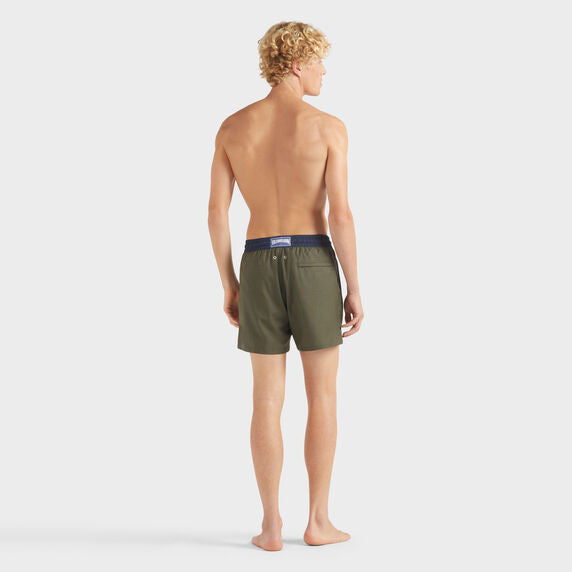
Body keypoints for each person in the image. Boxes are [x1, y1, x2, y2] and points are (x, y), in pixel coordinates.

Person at [208, 21, 364, 551]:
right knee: (322, 395)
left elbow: (216, 214)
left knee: (265, 398)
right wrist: (354, 287)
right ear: (297, 63)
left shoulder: (233, 127)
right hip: (313, 260)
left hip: (256, 260)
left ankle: (271, 526)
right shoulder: (328, 127)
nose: (324, 71)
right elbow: (340, 215)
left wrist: (229, 282)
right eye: (318, 61)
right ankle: (318, 522)